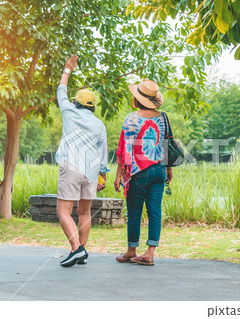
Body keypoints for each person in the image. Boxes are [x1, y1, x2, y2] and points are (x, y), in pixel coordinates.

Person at [56, 55, 108, 267]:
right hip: (91, 172)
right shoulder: (99, 125)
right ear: (93, 106)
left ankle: (77, 249)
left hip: (71, 168)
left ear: (76, 102)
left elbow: (61, 91)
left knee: (63, 212)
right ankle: (81, 251)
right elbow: (103, 152)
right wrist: (102, 176)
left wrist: (68, 70)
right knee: (84, 212)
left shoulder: (69, 112)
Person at [114, 78, 173, 266]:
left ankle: (132, 250)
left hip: (137, 172)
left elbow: (123, 150)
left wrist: (118, 176)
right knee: (155, 210)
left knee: (134, 212)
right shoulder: (163, 117)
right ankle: (150, 253)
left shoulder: (130, 118)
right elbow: (167, 142)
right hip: (159, 170)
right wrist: (168, 168)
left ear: (136, 99)